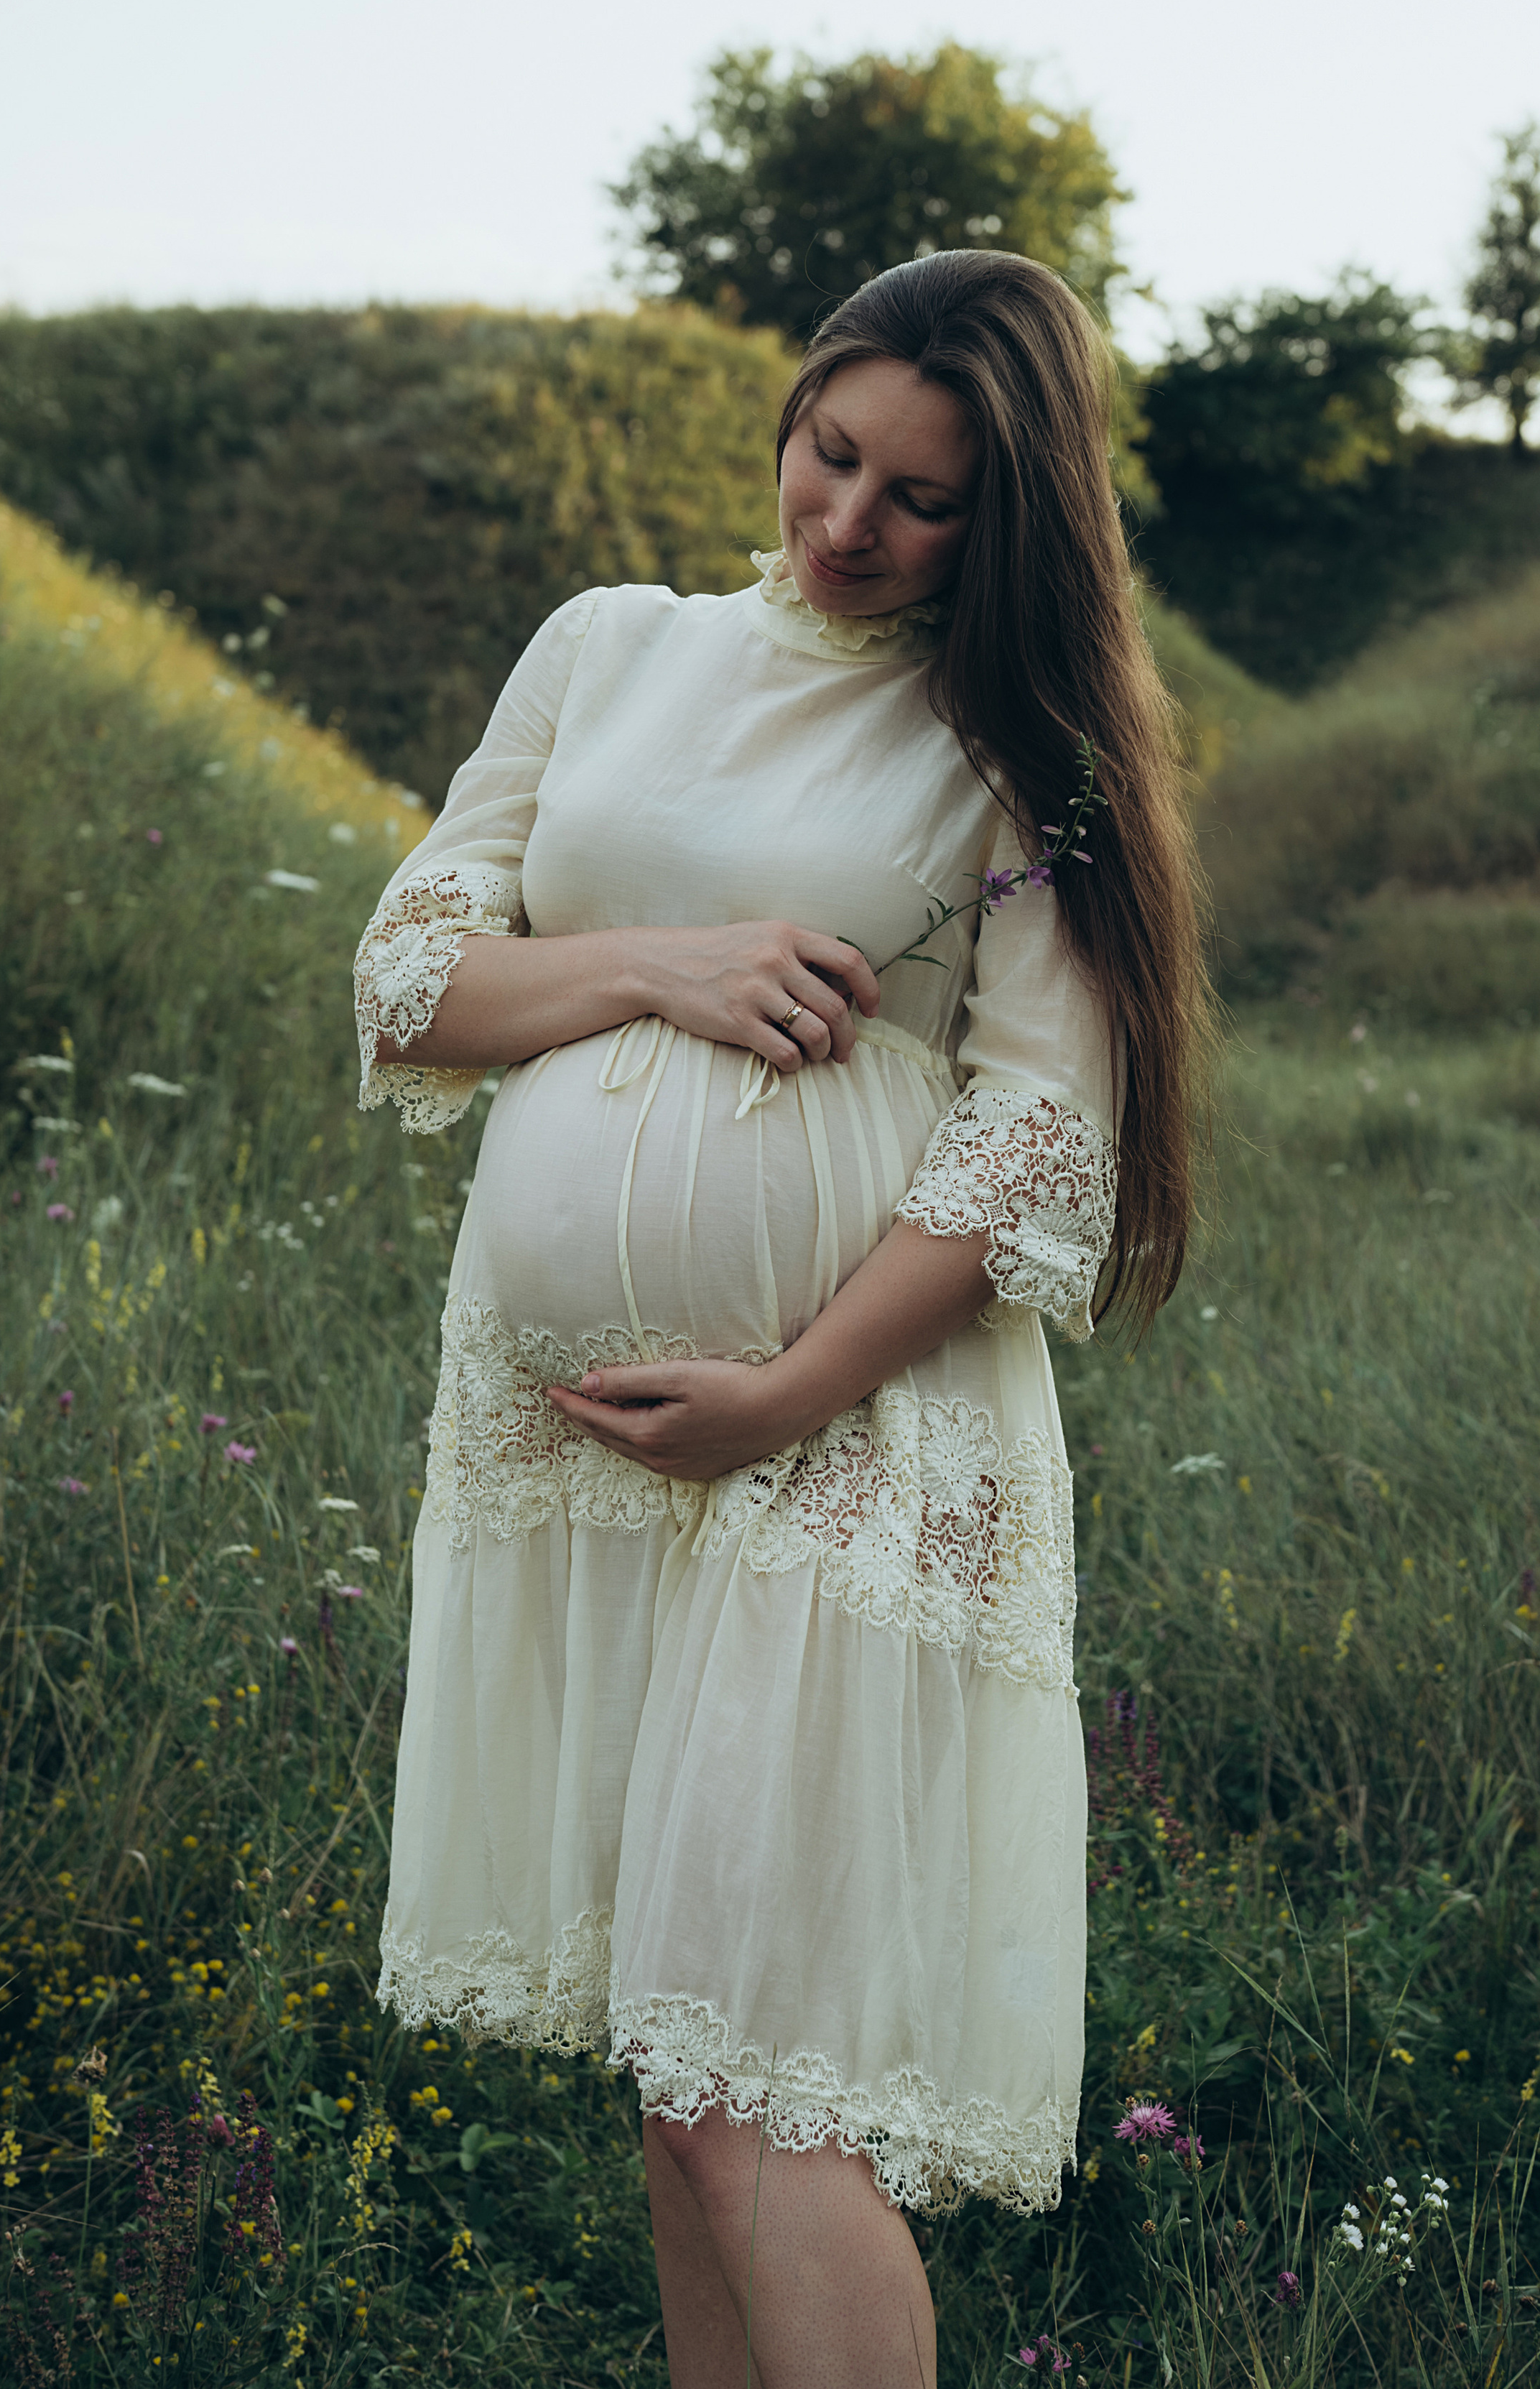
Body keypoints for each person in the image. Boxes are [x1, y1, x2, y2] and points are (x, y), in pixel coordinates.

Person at [353, 249, 1208, 2387]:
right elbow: (414, 973)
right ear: (798, 401)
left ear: (1007, 518)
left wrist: (788, 1387)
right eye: (835, 451)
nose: (849, 521)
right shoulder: (610, 649)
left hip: (848, 1430)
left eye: (921, 498)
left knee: (762, 2093)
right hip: (586, 1450)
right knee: (683, 2080)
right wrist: (660, 961)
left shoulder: (1020, 748)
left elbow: (1038, 1135)